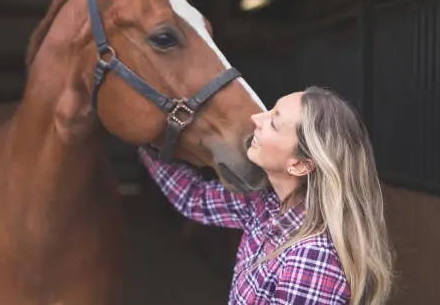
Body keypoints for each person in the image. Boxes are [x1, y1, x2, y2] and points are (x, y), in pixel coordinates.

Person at [138, 86, 394, 305]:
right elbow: (195, 198)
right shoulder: (264, 205)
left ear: (299, 165)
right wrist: (142, 135)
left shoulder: (310, 259)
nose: (256, 118)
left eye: (274, 122)